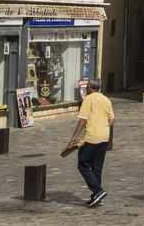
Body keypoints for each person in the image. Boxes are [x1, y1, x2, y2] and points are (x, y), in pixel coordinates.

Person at [62, 78, 114, 207]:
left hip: (91, 137)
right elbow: (112, 119)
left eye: (87, 87)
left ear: (90, 87)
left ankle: (98, 191)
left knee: (83, 165)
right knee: (97, 168)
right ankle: (97, 198)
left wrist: (73, 139)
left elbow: (83, 121)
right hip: (104, 137)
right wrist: (103, 127)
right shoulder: (106, 100)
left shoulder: (89, 99)